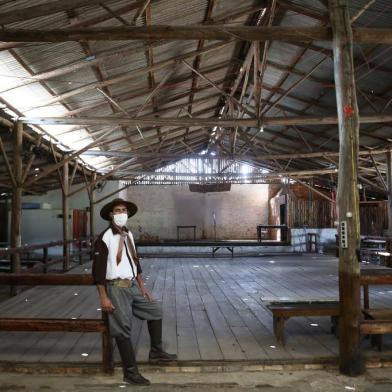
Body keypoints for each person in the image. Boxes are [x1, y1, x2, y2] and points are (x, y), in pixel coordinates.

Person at [92, 197, 176, 385]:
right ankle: (130, 372)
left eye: (124, 210)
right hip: (116, 288)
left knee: (155, 311)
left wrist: (141, 285)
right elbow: (97, 271)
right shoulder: (105, 238)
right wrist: (103, 297)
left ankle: (156, 352)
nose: (121, 213)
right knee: (122, 329)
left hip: (132, 286)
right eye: (117, 211)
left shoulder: (128, 234)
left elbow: (134, 260)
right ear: (110, 215)